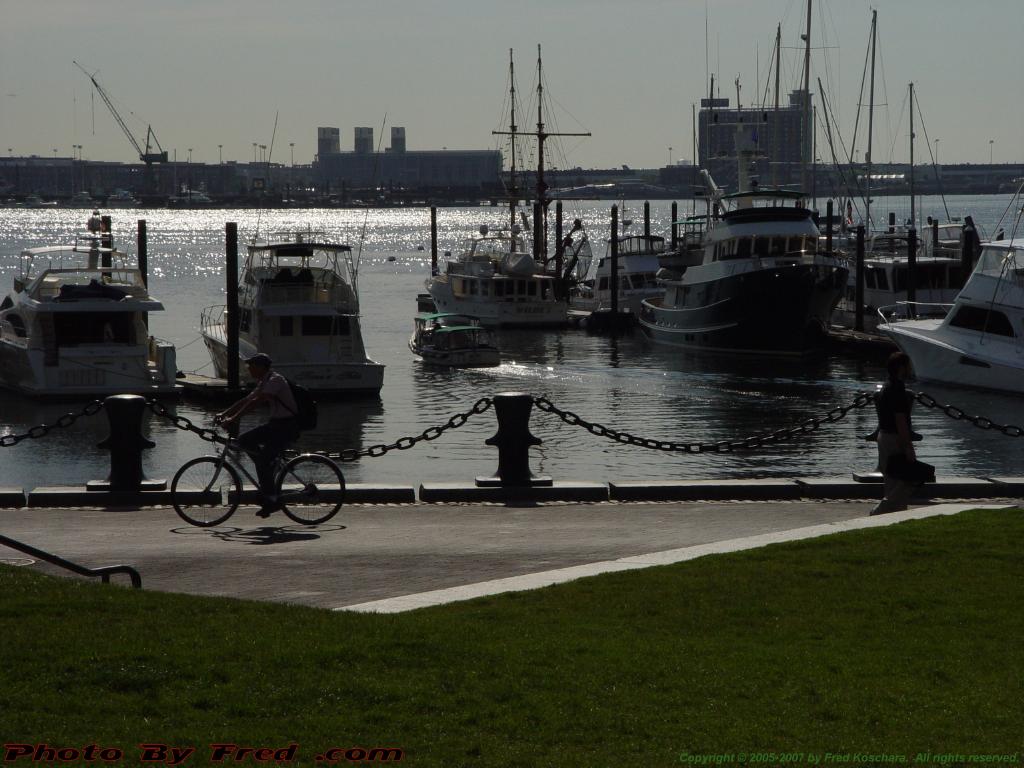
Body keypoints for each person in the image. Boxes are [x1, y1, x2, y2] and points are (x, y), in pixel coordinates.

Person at [215, 353, 299, 517]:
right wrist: (224, 413)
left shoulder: (275, 380)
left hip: (287, 427)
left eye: (251, 365)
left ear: (261, 367)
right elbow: (247, 400)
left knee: (263, 460)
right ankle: (267, 471)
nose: (249, 368)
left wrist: (233, 418)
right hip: (275, 425)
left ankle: (272, 498)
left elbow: (256, 402)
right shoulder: (264, 381)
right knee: (244, 440)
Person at [871, 351, 919, 515]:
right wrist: (908, 446)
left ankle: (896, 514)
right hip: (895, 438)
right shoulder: (898, 388)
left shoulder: (886, 386)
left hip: (883, 436)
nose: (910, 368)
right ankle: (883, 508)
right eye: (908, 365)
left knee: (891, 480)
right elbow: (900, 420)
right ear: (901, 367)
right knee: (909, 478)